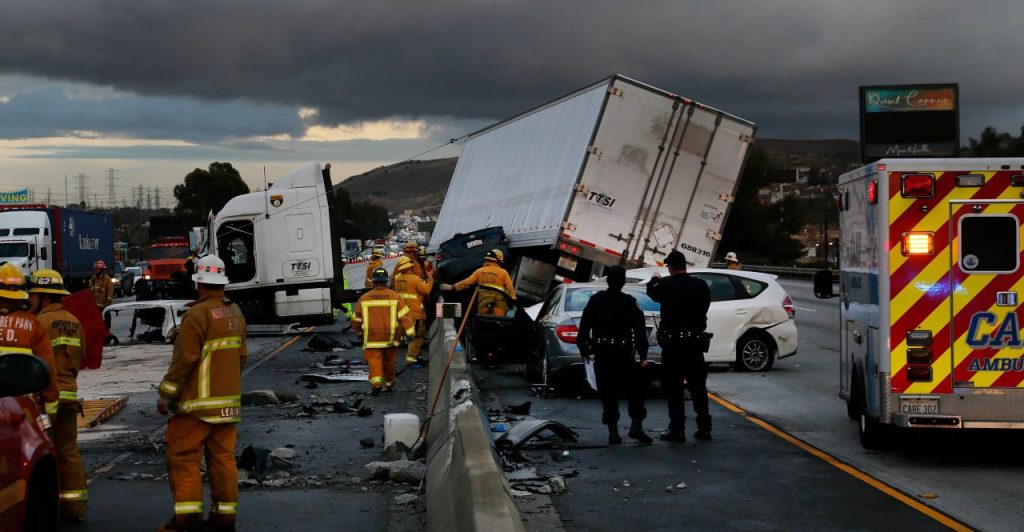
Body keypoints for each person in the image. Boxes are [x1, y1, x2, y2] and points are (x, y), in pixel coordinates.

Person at [157, 255, 247, 532]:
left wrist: (165, 394)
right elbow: (241, 357)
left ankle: (187, 522)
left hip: (195, 407)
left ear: (198, 282)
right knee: (222, 461)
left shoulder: (197, 315)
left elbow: (184, 360)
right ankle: (224, 520)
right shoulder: (235, 312)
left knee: (184, 459)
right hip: (227, 406)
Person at [27, 269, 89, 522]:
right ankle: (74, 507)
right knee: (69, 451)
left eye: (32, 295)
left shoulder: (39, 323)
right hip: (70, 396)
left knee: (43, 453)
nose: (29, 300)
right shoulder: (74, 321)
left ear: (43, 296)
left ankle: (47, 509)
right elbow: (82, 356)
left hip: (47, 398)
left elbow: (33, 360)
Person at [577, 265, 653, 445]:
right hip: (623, 354)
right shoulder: (629, 301)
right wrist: (643, 355)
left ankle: (613, 431)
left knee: (608, 392)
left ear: (608, 280)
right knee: (635, 389)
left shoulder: (596, 300)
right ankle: (636, 424)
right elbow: (640, 330)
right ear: (623, 281)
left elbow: (584, 328)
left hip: (603, 354)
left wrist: (585, 350)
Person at [647, 250, 712, 442]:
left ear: (670, 267)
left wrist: (654, 278)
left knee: (674, 387)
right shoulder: (700, 285)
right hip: (694, 344)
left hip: (674, 346)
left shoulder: (666, 285)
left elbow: (652, 292)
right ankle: (704, 428)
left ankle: (677, 428)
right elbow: (705, 307)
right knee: (698, 386)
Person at [352, 267, 415, 395]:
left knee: (374, 361)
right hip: (391, 337)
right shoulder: (395, 297)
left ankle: (376, 384)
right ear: (386, 281)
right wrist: (410, 334)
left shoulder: (364, 298)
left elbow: (356, 320)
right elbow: (405, 317)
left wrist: (359, 332)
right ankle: (389, 383)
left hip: (371, 337)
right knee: (389, 361)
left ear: (373, 282)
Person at [441, 249, 516, 317]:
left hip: (483, 307)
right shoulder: (503, 272)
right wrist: (514, 301)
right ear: (499, 262)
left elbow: (467, 282)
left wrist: (451, 287)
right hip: (499, 307)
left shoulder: (479, 271)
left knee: (483, 324)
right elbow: (510, 289)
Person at [392, 256, 433, 366]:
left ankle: (416, 356)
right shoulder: (415, 279)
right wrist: (430, 279)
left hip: (403, 313)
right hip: (415, 313)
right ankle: (412, 358)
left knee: (410, 335)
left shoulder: (398, 279)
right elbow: (426, 290)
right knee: (418, 337)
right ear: (410, 267)